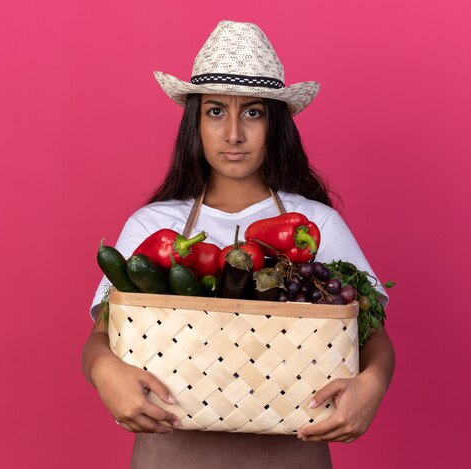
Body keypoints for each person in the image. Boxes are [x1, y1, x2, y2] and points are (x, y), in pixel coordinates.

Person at [82, 20, 395, 469]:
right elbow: (99, 339)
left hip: (292, 454)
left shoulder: (318, 223)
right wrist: (104, 371)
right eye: (215, 112)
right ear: (195, 121)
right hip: (171, 454)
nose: (233, 134)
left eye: (252, 112)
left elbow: (374, 335)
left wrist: (372, 387)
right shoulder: (153, 225)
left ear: (276, 124)